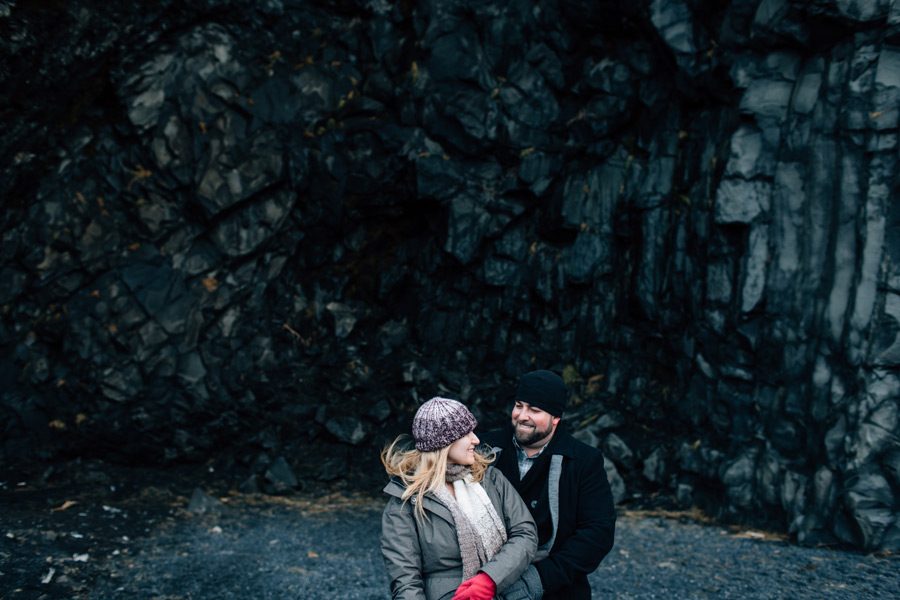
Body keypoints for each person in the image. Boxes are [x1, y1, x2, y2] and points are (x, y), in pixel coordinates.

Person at [381, 397, 538, 600]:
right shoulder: (405, 501)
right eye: (466, 434)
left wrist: (490, 579)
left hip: (507, 591)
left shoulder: (490, 479)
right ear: (444, 443)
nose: (476, 440)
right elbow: (406, 581)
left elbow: (525, 534)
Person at [480, 370, 617, 600]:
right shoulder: (483, 449)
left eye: (535, 410)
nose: (522, 416)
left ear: (556, 418)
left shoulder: (584, 462)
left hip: (554, 589)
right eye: (519, 405)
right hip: (484, 583)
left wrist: (538, 580)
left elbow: (597, 533)